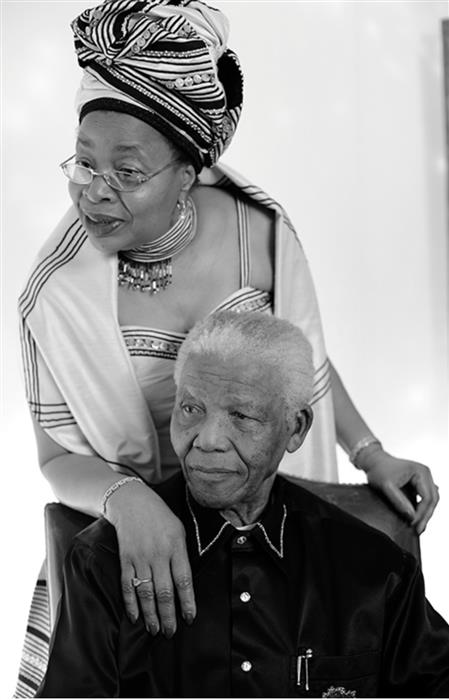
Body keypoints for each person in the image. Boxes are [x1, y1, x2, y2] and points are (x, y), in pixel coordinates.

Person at [17, 0, 439, 696]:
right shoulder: (55, 291)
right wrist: (131, 504)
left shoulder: (257, 231)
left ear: (187, 174)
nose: (94, 191)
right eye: (84, 162)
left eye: (127, 172)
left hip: (261, 510)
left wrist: (368, 451)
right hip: (141, 544)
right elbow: (57, 458)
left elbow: (293, 363)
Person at [36, 311, 449, 698]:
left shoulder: (374, 567)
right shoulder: (104, 560)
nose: (208, 439)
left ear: (296, 428)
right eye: (191, 408)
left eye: (242, 416)